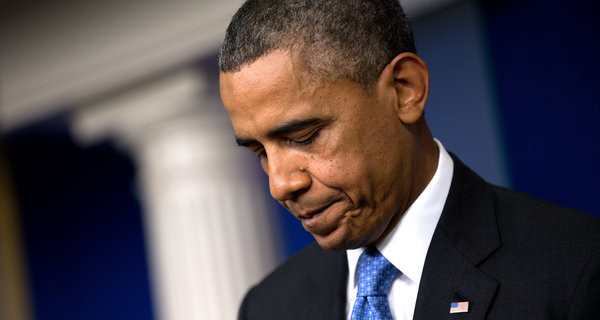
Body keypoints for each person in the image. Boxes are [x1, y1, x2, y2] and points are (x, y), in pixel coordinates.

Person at [218, 0, 600, 319]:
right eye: (260, 154)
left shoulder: (576, 268)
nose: (280, 184)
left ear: (405, 90)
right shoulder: (266, 308)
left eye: (304, 136)